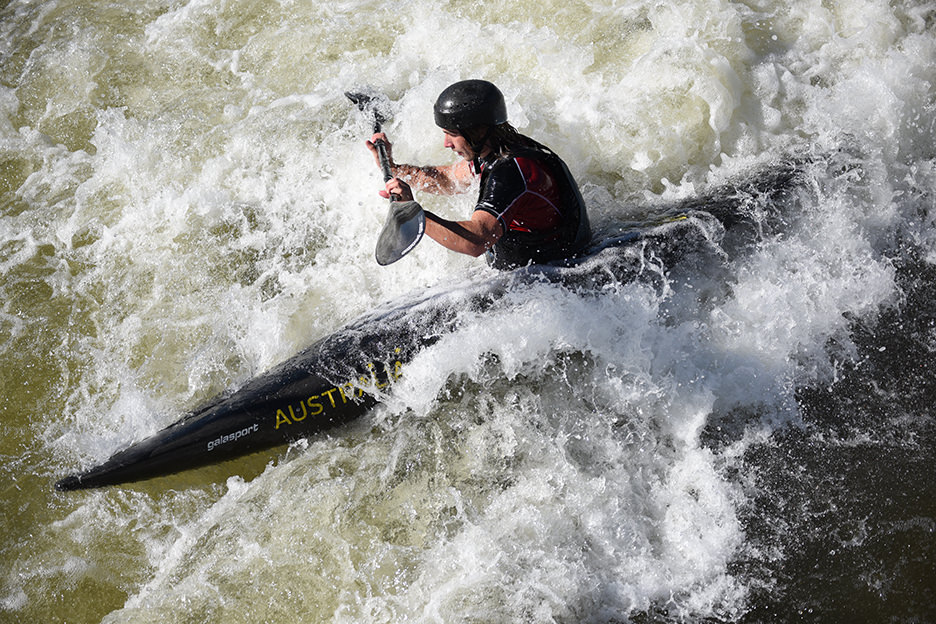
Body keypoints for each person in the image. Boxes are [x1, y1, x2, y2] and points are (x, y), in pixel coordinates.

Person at [366, 79, 591, 269]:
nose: (446, 144)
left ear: (478, 131)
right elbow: (447, 180)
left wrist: (414, 214)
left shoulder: (512, 171)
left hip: (558, 272)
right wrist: (395, 169)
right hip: (533, 267)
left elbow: (477, 240)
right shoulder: (495, 149)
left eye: (452, 134)